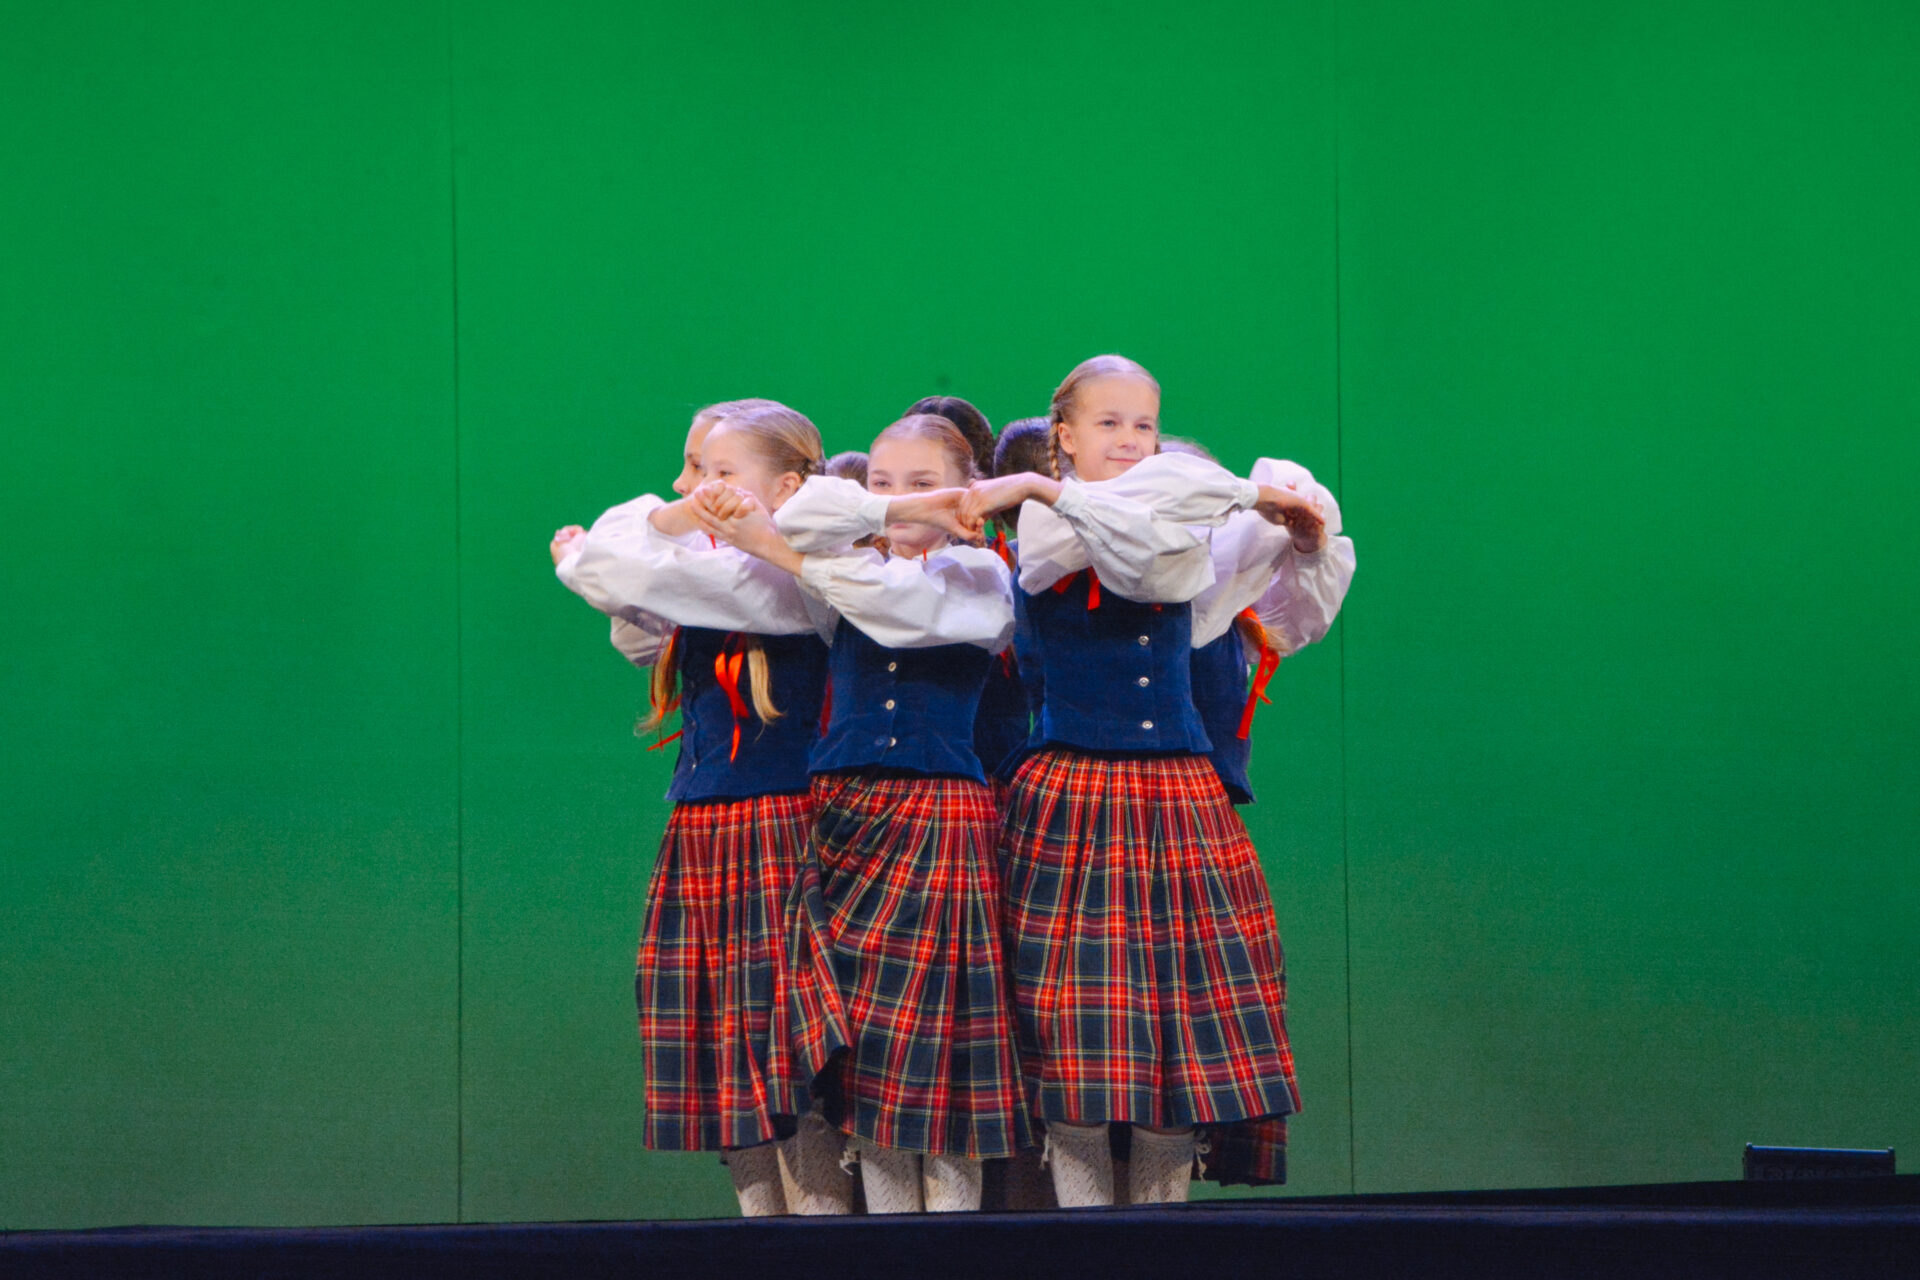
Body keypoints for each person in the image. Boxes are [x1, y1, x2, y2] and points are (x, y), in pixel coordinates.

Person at [960, 355, 1331, 1206]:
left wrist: (1295, 537)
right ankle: (1087, 1236)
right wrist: (1050, 488)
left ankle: (1159, 1237)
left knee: (1181, 1037)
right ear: (1062, 437)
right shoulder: (1048, 523)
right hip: (1074, 798)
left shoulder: (1177, 524)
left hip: (1178, 798)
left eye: (1145, 426)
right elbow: (1124, 541)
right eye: (1108, 423)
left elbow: (1248, 577)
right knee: (1076, 1037)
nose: (1130, 440)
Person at [689, 414, 1033, 1213]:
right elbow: (813, 514)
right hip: (843, 817)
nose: (900, 497)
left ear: (967, 492)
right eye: (881, 482)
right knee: (869, 1056)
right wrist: (874, 513)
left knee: (936, 1052)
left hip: (938, 811)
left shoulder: (980, 574)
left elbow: (901, 610)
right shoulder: (841, 556)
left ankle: (944, 1248)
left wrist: (787, 553)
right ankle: (882, 1248)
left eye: (923, 483)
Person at [550, 399, 854, 1217]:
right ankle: (763, 1237)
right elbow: (634, 611)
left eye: (717, 471)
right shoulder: (709, 571)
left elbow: (615, 568)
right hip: (708, 822)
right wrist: (669, 524)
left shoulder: (787, 573)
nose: (689, 486)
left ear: (787, 488)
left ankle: (827, 1240)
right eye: (690, 465)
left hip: (781, 822)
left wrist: (617, 546)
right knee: (726, 1058)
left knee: (788, 1061)